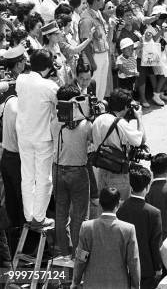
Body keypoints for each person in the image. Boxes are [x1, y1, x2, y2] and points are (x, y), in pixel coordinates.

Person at [51, 84, 95, 264]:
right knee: (80, 216)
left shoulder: (54, 122)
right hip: (78, 172)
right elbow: (93, 143)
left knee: (61, 213)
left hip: (58, 170)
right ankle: (79, 255)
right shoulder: (86, 125)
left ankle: (65, 252)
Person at [16, 49, 59, 228]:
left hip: (24, 136)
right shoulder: (50, 86)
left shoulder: (21, 80)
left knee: (27, 176)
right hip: (42, 138)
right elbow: (60, 103)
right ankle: (39, 217)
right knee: (44, 179)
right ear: (48, 68)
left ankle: (29, 215)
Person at [71, 187, 140, 289]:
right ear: (118, 205)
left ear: (100, 204)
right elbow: (133, 261)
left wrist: (75, 281)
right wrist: (136, 285)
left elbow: (81, 258)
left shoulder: (87, 227)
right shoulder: (128, 229)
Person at [92, 88, 146, 200]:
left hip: (101, 170)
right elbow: (140, 140)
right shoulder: (120, 123)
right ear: (126, 107)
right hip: (118, 172)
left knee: (105, 206)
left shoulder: (98, 119)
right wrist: (139, 117)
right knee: (120, 207)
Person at [117, 166, 163, 289]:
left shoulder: (120, 209)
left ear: (131, 186)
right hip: (146, 269)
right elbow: (155, 243)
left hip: (123, 267)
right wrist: (158, 267)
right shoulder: (154, 213)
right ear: (148, 187)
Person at [0, 45, 27, 233]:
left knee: (11, 201)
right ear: (18, 65)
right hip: (16, 155)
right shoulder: (14, 89)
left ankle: (13, 236)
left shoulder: (6, 90)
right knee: (21, 200)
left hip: (6, 153)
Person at [79, 0, 110, 101]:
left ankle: (99, 108)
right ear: (96, 1)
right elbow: (85, 41)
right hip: (95, 56)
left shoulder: (98, 13)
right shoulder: (86, 18)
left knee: (101, 85)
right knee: (93, 87)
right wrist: (92, 62)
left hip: (103, 53)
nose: (104, 1)